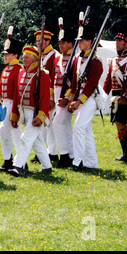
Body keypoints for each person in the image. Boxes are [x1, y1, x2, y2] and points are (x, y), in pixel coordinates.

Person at [8, 46, 52, 177]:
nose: (24, 59)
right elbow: (17, 94)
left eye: (26, 57)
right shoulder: (22, 72)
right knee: (37, 142)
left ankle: (18, 166)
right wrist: (14, 115)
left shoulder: (42, 75)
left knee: (25, 139)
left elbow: (45, 98)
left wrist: (41, 116)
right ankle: (47, 166)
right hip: (23, 112)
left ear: (34, 59)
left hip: (35, 113)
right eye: (23, 56)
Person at [67, 25, 104, 171]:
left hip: (90, 99)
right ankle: (92, 163)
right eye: (79, 40)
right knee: (86, 130)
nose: (79, 43)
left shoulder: (96, 61)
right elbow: (76, 83)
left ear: (90, 41)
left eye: (82, 40)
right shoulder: (78, 59)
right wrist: (72, 99)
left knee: (79, 127)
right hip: (81, 99)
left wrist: (79, 101)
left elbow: (91, 84)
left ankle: (77, 161)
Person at [102, 19, 127, 161]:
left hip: (125, 97)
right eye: (116, 41)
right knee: (117, 122)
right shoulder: (113, 60)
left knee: (119, 122)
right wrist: (102, 94)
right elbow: (108, 80)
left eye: (120, 41)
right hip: (115, 96)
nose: (117, 43)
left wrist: (125, 95)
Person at [0, 28, 24, 172]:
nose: (5, 56)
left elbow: (18, 90)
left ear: (15, 55)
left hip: (14, 104)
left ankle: (15, 160)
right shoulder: (6, 69)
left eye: (8, 54)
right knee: (11, 132)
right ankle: (12, 160)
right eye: (5, 54)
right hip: (5, 104)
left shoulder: (19, 69)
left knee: (9, 130)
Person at [34, 29, 59, 163]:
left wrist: (51, 98)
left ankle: (53, 152)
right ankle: (41, 152)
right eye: (37, 41)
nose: (38, 43)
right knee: (41, 125)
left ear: (47, 41)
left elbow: (54, 77)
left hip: (49, 95)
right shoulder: (39, 55)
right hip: (39, 94)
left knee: (49, 125)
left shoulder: (54, 56)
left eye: (40, 41)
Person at [53, 27, 75, 168]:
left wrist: (67, 98)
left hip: (67, 96)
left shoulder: (75, 59)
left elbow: (74, 81)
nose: (61, 45)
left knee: (57, 122)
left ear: (70, 44)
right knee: (65, 125)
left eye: (64, 43)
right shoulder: (58, 59)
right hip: (56, 94)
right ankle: (71, 155)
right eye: (60, 43)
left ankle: (65, 155)